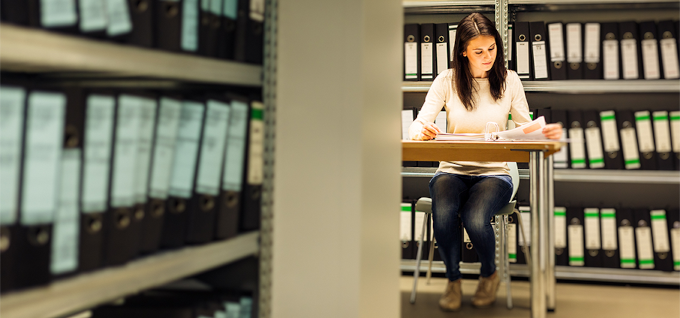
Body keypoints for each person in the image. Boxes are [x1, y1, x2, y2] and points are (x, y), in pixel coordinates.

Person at [408, 13, 562, 312]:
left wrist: (538, 131)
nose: (487, 56)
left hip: (495, 173)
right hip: (452, 169)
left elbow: (525, 127)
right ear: (463, 51)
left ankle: (489, 273)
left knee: (475, 217)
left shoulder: (509, 79)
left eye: (492, 48)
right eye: (479, 51)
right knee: (444, 212)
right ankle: (453, 280)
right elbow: (417, 125)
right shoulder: (447, 80)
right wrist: (422, 131)